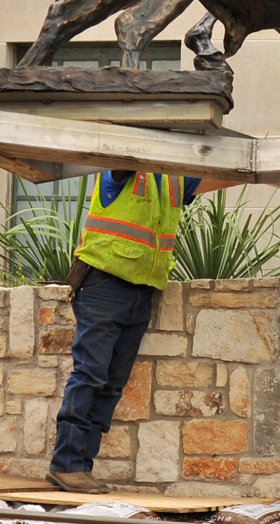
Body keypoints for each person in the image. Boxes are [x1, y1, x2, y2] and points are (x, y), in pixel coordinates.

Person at [48, 166, 239, 492]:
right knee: (90, 374)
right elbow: (123, 158)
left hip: (142, 290)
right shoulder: (122, 171)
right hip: (103, 283)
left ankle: (81, 466)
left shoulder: (175, 179)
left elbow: (226, 174)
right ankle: (66, 464)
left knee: (110, 385)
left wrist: (263, 166)